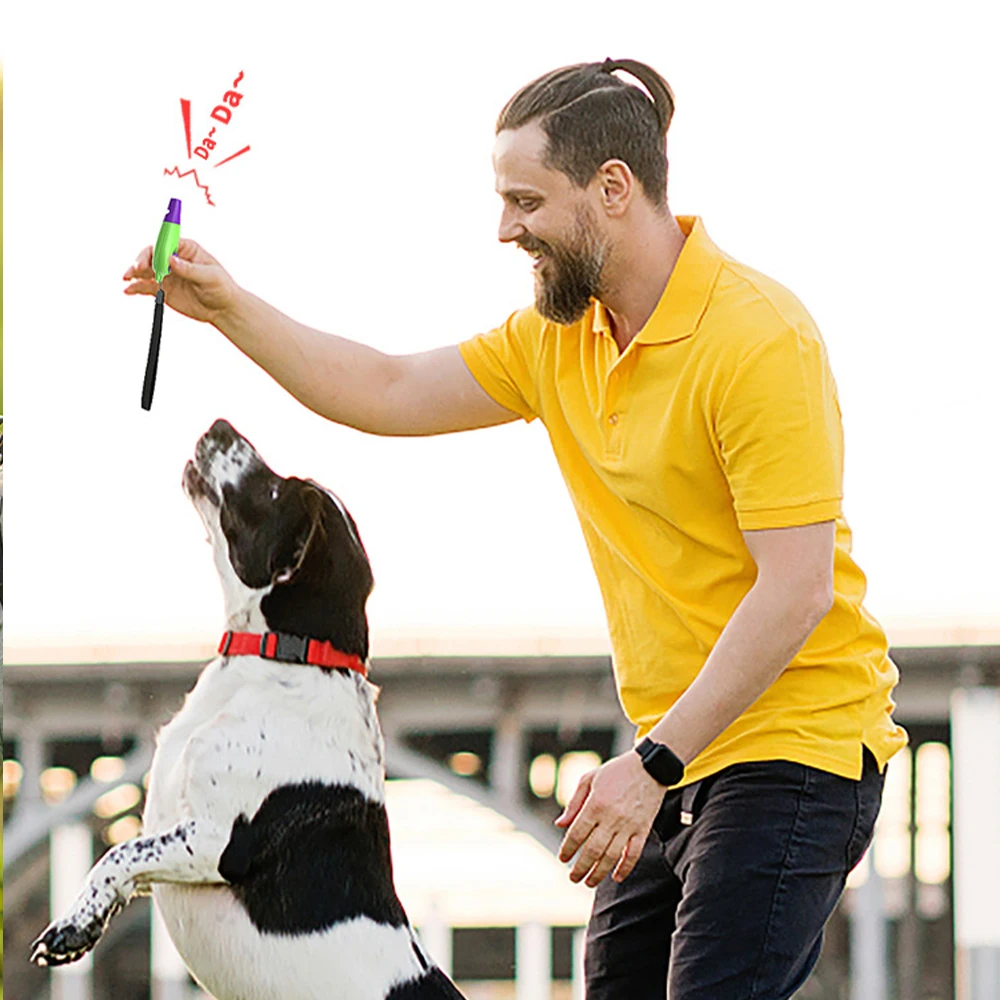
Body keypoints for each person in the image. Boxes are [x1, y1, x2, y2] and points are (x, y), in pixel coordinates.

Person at [124, 59, 908, 1000]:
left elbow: (797, 591)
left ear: (612, 189)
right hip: (673, 753)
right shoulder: (557, 340)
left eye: (526, 199)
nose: (506, 228)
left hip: (791, 746)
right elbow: (385, 388)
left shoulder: (758, 340)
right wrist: (226, 308)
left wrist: (652, 765)